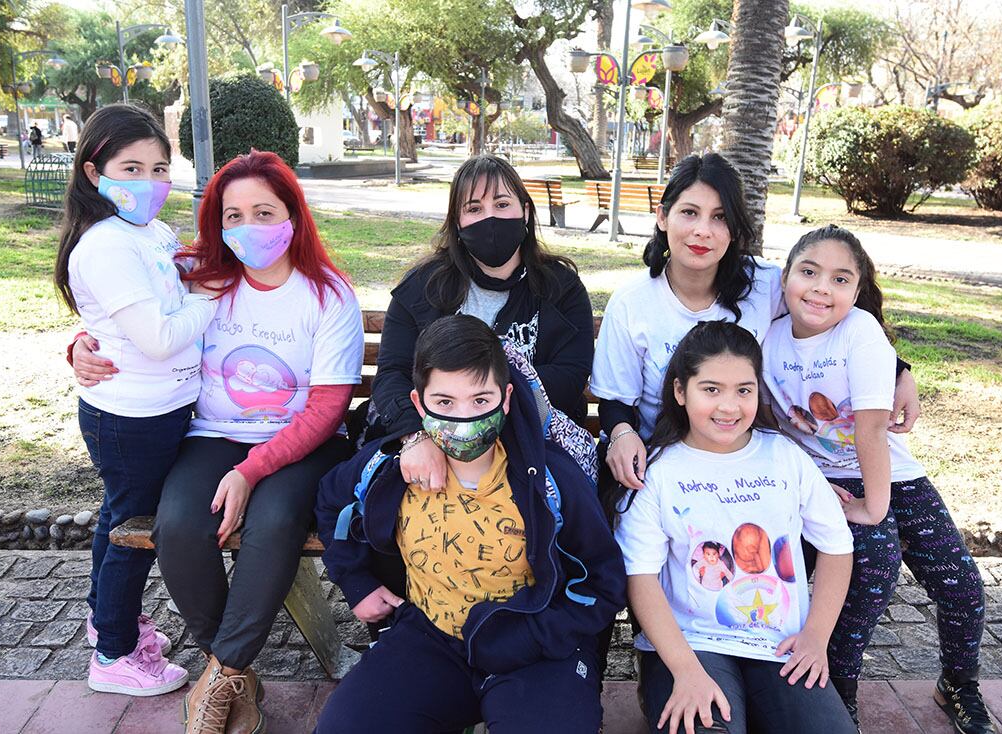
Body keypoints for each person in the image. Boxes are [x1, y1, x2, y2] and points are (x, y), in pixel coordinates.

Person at [72, 150, 365, 734]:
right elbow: (119, 312)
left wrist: (253, 471)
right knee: (178, 524)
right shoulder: (198, 275)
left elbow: (329, 406)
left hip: (301, 443)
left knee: (274, 524)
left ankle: (221, 673)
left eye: (264, 212)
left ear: (293, 215)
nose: (248, 228)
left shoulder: (328, 296)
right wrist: (80, 342)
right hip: (212, 436)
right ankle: (230, 669)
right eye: (233, 216)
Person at [313, 315, 625, 733]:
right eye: (444, 403)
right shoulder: (393, 468)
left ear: (507, 398)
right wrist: (355, 582)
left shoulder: (551, 480)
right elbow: (333, 499)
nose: (464, 419)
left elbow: (601, 583)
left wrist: (532, 637)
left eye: (481, 401)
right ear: (419, 403)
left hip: (535, 649)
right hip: (431, 637)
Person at [761, 224, 991, 733]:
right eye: (809, 272)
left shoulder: (860, 330)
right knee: (875, 566)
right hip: (823, 480)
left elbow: (870, 429)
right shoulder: (767, 335)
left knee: (963, 587)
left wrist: (875, 508)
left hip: (889, 475)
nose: (822, 287)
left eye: (841, 279)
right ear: (786, 277)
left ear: (857, 291)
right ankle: (838, 690)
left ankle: (959, 681)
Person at [591, 153, 921, 494]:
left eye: (720, 218)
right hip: (666, 463)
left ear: (735, 230)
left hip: (754, 460)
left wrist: (898, 371)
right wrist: (622, 434)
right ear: (663, 217)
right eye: (689, 212)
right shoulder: (632, 303)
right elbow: (616, 401)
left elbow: (828, 312)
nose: (702, 231)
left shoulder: (764, 284)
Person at [615, 321, 857, 734]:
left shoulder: (784, 456)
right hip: (690, 646)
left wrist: (816, 636)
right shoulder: (659, 472)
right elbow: (641, 578)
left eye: (743, 390)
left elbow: (836, 545)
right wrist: (685, 672)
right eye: (711, 389)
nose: (730, 407)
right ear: (680, 391)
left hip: (778, 646)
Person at [54, 103, 216, 696]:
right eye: (131, 168)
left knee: (118, 518)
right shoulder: (104, 246)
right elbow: (157, 337)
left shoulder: (150, 231)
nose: (148, 183)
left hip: (157, 411)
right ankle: (115, 656)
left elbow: (163, 298)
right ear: (95, 174)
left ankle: (107, 623)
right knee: (132, 530)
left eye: (158, 168)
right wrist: (211, 299)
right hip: (132, 419)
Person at [369, 154, 594, 493]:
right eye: (474, 209)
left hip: (531, 440)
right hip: (433, 438)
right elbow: (391, 374)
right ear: (457, 224)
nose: (490, 218)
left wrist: (484, 423)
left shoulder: (560, 288)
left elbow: (570, 374)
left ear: (526, 212)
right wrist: (417, 437)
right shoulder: (422, 289)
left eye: (502, 204)